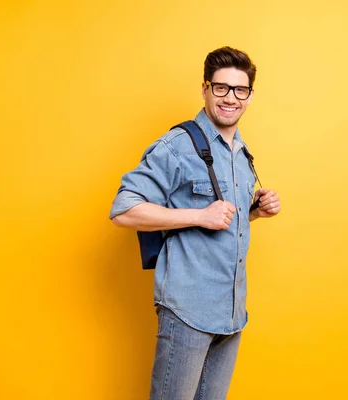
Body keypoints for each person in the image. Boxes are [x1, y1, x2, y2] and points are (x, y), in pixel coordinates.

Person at [109, 46, 281, 399]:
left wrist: (252, 213)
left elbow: (222, 218)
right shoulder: (177, 146)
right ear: (205, 89)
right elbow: (123, 209)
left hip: (231, 312)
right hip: (187, 309)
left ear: (250, 95)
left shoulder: (240, 152)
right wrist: (199, 216)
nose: (230, 98)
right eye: (221, 88)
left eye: (240, 90)